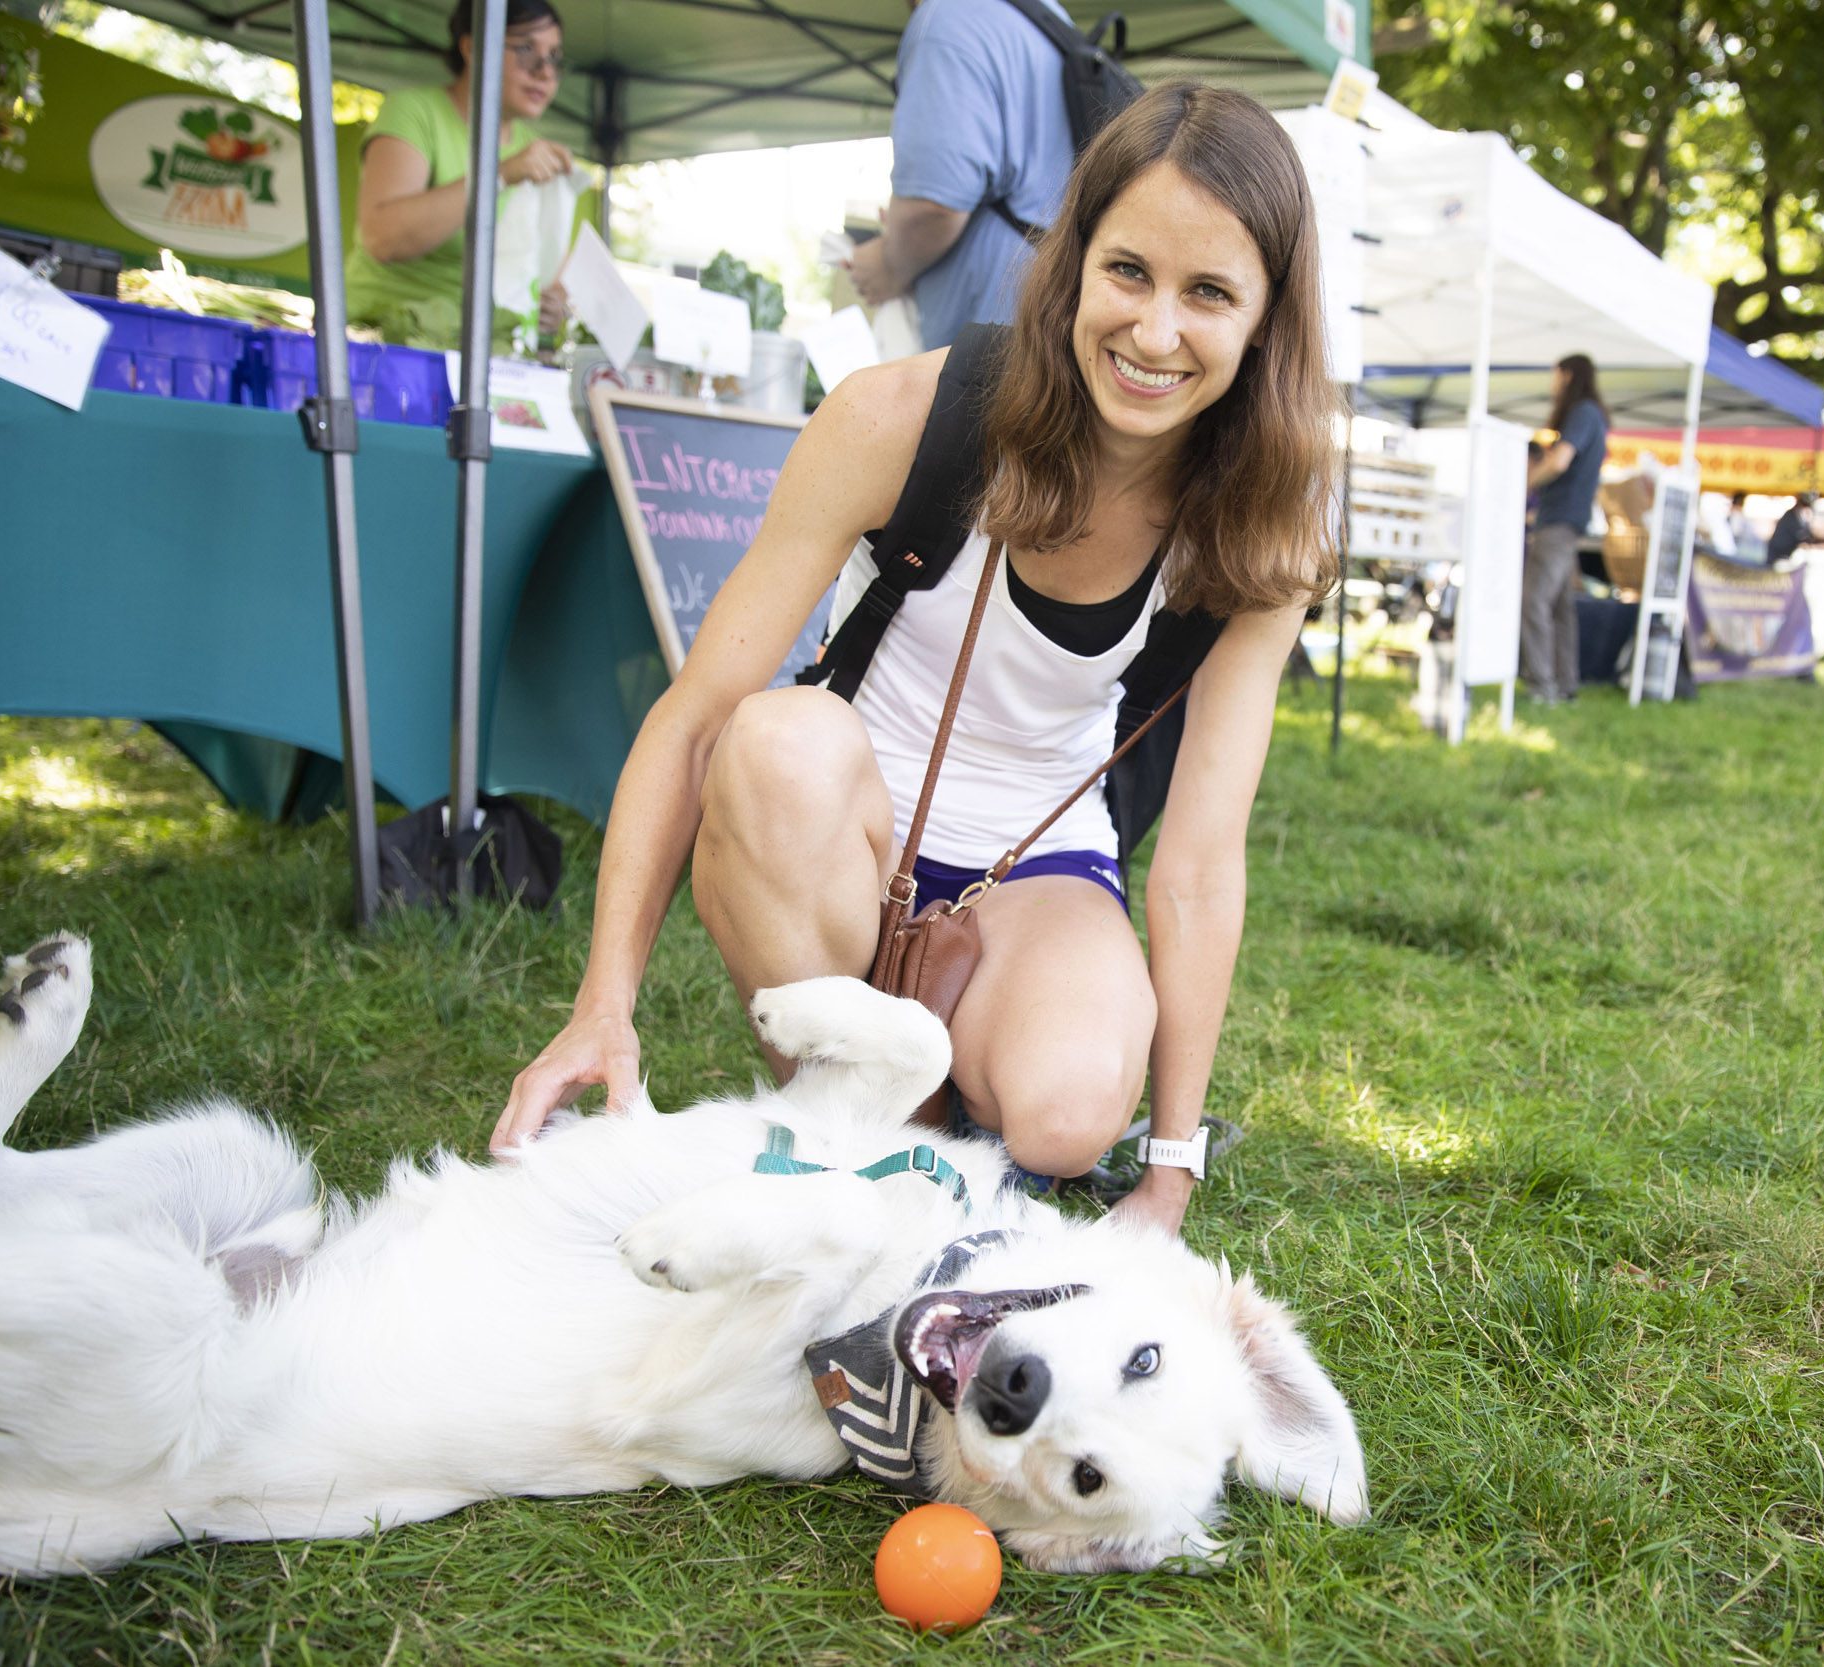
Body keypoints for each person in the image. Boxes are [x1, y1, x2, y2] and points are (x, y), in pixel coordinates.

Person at [494, 84, 1335, 1241]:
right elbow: (697, 717)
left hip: (1039, 869)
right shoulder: (898, 415)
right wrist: (603, 1006)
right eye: (1128, 271)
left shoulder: (1263, 532)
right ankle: (867, 1106)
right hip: (843, 832)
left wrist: (1169, 1169)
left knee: (1066, 1118)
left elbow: (1197, 859)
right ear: (1074, 261)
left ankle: (913, 1114)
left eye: (1208, 294)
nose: (1152, 332)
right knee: (773, 738)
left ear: (1264, 320)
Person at [845, 0, 1077, 351]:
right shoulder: (1046, 17)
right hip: (1046, 329)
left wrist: (889, 264)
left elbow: (933, 206)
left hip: (988, 355)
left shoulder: (948, 18)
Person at [345, 0, 574, 349]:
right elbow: (384, 238)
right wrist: (498, 175)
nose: (545, 71)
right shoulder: (414, 112)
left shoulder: (535, 150)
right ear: (472, 46)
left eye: (555, 57)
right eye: (526, 49)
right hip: (385, 343)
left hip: (485, 353)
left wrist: (552, 307)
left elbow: (546, 273)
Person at [1520, 353, 1608, 702]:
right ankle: (1564, 683)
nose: (1552, 384)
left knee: (1534, 601)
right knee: (1559, 606)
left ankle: (1543, 685)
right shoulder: (1592, 415)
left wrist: (1528, 483)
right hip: (1568, 521)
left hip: (1558, 521)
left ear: (1568, 375)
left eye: (1555, 375)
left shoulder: (1582, 413)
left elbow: (1560, 460)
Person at [1764, 492, 1814, 567]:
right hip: (1779, 558)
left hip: (1782, 556)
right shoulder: (1790, 516)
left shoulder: (1797, 515)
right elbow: (1797, 535)